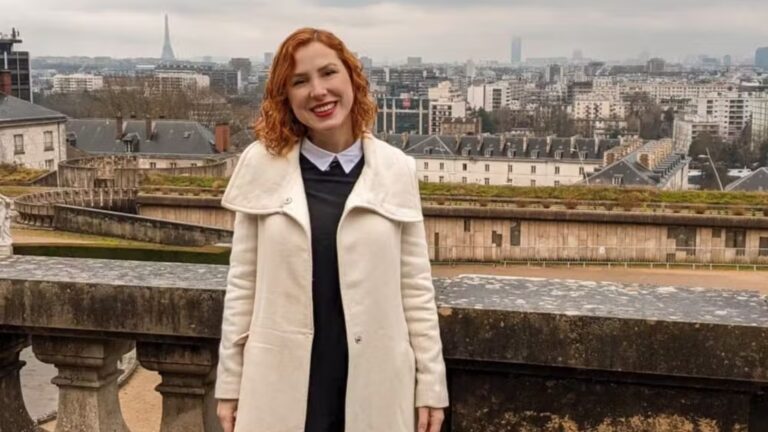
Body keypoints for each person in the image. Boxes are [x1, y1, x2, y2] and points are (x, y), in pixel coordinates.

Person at [215, 27, 448, 432]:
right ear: (285, 97)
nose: (318, 91)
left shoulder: (396, 169)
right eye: (300, 81)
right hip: (281, 381)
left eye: (328, 73)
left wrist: (431, 385)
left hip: (374, 379)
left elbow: (415, 290)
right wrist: (230, 385)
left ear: (352, 78)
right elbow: (242, 287)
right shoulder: (261, 166)